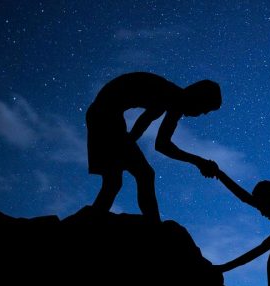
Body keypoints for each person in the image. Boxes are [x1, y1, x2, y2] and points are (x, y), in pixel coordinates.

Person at [86, 72, 221, 221]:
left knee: (114, 182)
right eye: (203, 110)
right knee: (143, 175)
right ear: (197, 97)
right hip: (105, 117)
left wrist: (199, 162)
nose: (199, 114)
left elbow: (161, 143)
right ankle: (154, 227)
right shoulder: (169, 95)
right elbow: (154, 137)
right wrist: (199, 162)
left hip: (103, 115)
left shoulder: (173, 100)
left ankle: (95, 220)